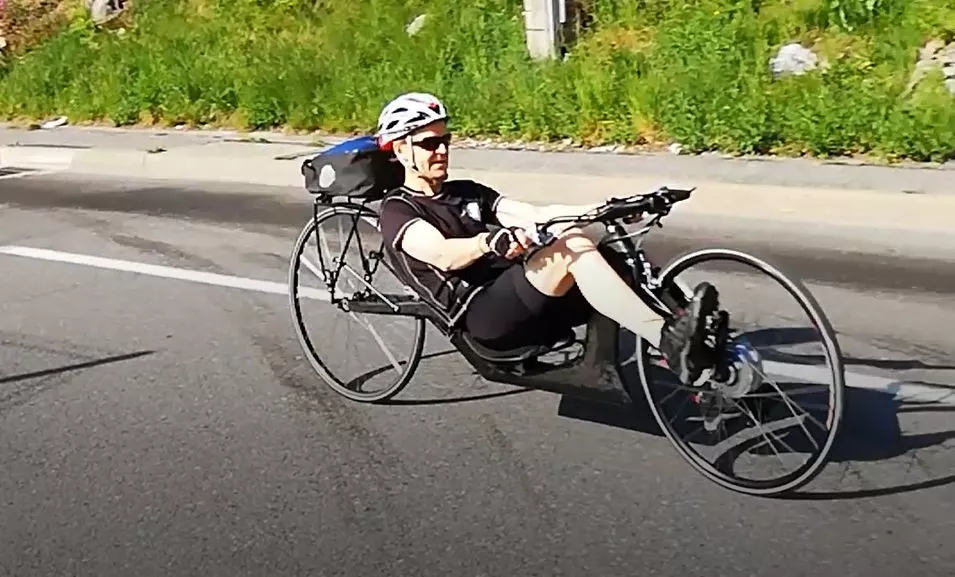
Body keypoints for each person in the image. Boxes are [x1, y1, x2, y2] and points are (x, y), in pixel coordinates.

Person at [374, 92, 720, 385]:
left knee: (597, 248)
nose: (442, 150)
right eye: (430, 143)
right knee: (570, 249)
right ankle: (666, 340)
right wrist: (487, 243)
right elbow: (442, 254)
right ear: (402, 150)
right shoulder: (397, 210)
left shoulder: (466, 192)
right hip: (482, 318)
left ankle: (695, 341)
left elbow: (534, 213)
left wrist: (608, 207)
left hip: (520, 298)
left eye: (445, 140)